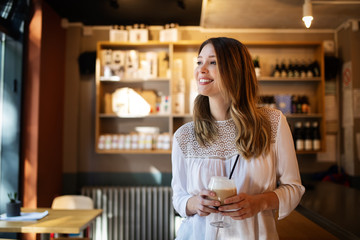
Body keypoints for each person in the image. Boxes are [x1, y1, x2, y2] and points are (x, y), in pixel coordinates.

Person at [171, 37, 305, 240]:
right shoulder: (184, 136)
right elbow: (179, 197)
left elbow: (294, 188)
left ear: (235, 70)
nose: (201, 69)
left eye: (213, 62)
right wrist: (195, 203)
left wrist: (260, 202)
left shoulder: (272, 123)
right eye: (199, 62)